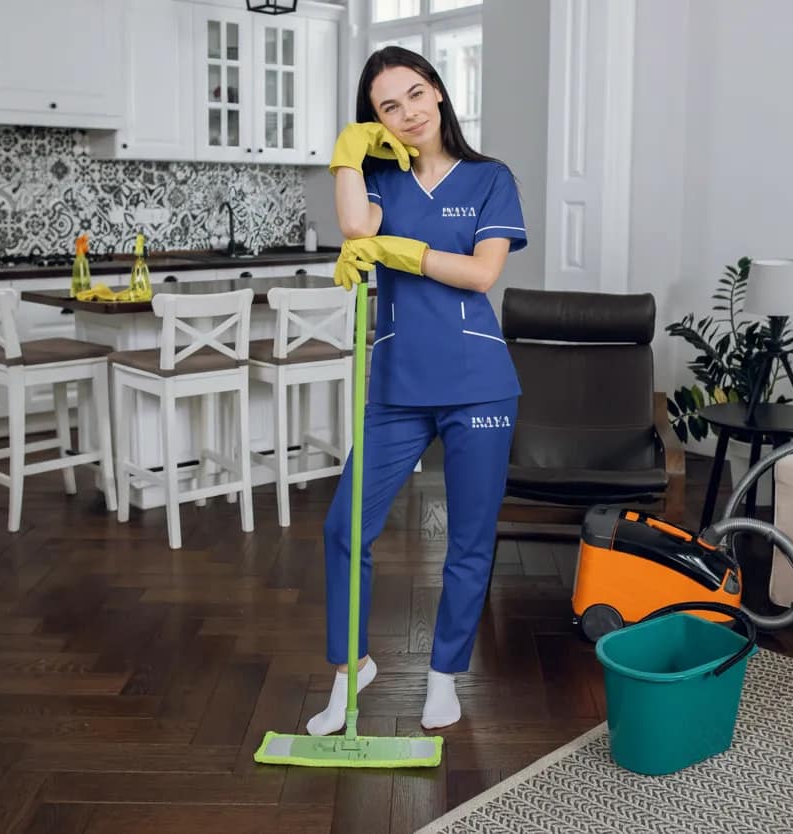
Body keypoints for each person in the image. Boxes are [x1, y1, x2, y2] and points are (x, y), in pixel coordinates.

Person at [307, 46, 527, 736]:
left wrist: (406, 254)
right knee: (344, 528)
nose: (406, 113)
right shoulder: (379, 179)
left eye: (414, 93)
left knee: (469, 539)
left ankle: (443, 675)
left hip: (479, 386)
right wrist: (347, 154)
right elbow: (355, 228)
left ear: (437, 90)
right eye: (386, 107)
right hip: (397, 384)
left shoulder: (490, 178)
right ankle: (352, 669)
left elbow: (483, 274)